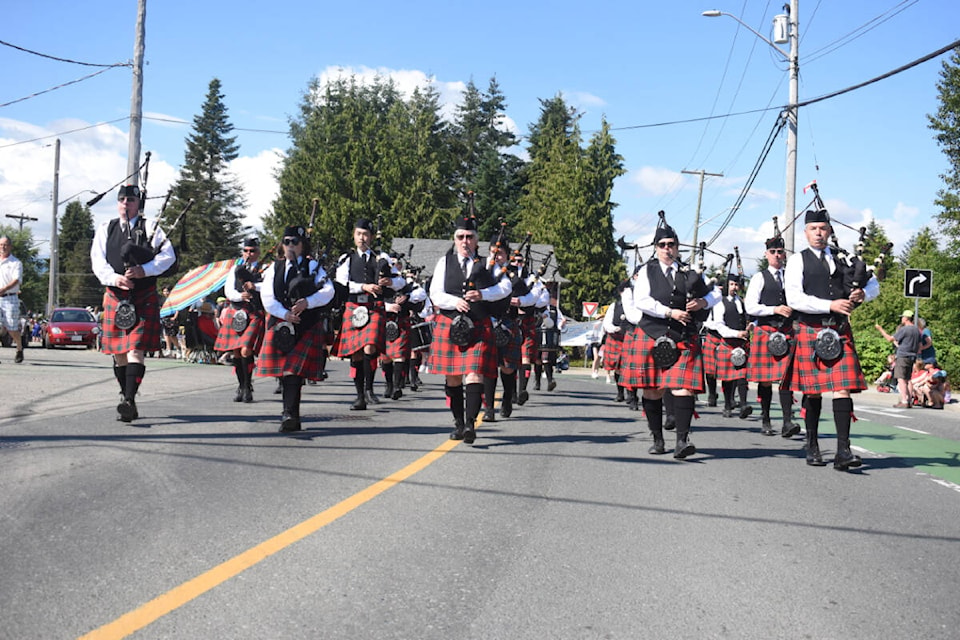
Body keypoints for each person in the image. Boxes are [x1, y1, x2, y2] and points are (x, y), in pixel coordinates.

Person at [782, 208, 879, 469]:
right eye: (814, 229)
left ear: (829, 231)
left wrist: (863, 295)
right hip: (810, 329)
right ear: (806, 232)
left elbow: (873, 283)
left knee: (842, 388)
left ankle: (843, 451)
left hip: (839, 331)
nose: (819, 233)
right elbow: (794, 298)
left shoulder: (843, 258)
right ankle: (812, 445)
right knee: (812, 392)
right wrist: (830, 305)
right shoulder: (797, 261)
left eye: (823, 228)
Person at [621, 221, 719, 459]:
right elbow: (642, 300)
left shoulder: (689, 272)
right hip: (652, 333)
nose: (667, 249)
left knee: (683, 388)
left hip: (683, 335)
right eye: (662, 245)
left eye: (671, 245)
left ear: (677, 247)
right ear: (656, 248)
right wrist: (669, 312)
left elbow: (716, 292)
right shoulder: (647, 271)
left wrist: (703, 302)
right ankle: (657, 439)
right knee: (652, 390)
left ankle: (682, 441)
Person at [90, 184, 176, 422]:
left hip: (143, 296)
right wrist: (114, 278)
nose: (125, 204)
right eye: (121, 200)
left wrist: (144, 270)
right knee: (119, 354)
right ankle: (127, 395)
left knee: (135, 350)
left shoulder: (151, 227)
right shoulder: (106, 227)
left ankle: (128, 399)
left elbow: (169, 256)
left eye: (130, 200)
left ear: (138, 203)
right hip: (116, 295)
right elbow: (98, 261)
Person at [429, 215, 511, 443]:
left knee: (474, 373)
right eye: (460, 237)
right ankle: (458, 423)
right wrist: (454, 302)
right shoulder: (444, 263)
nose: (465, 241)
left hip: (478, 324)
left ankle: (470, 425)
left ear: (476, 240)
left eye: (470, 237)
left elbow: (505, 287)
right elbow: (435, 293)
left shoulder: (488, 264)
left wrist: (483, 294)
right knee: (453, 377)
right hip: (451, 322)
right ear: (455, 239)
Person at [255, 225, 334, 432]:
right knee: (284, 372)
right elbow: (267, 296)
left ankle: (289, 414)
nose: (290, 246)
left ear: (302, 245)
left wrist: (308, 302)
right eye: (287, 242)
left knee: (293, 371)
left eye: (295, 242)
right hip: (280, 324)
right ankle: (291, 414)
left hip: (305, 325)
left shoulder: (313, 266)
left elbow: (328, 291)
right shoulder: (275, 267)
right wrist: (285, 314)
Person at [335, 218, 405, 410]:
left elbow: (401, 282)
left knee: (369, 347)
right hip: (354, 306)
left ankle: (369, 388)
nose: (362, 238)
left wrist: (390, 283)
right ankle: (360, 396)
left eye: (366, 234)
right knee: (357, 353)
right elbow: (341, 283)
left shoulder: (382, 258)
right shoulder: (346, 258)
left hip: (374, 307)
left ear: (371, 237)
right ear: (354, 235)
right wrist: (363, 286)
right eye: (359, 234)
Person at [744, 235, 800, 437]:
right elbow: (750, 306)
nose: (777, 255)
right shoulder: (759, 278)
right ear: (766, 254)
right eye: (773, 252)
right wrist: (774, 309)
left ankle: (787, 421)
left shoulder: (792, 277)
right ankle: (766, 418)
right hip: (766, 332)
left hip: (787, 332)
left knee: (787, 378)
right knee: (765, 380)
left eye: (780, 252)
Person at [215, 237, 266, 402]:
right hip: (236, 310)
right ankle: (242, 385)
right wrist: (240, 295)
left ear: (258, 252)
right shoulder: (235, 269)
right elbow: (228, 290)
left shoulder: (265, 269)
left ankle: (248, 384)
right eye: (246, 251)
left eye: (252, 251)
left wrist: (255, 287)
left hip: (253, 313)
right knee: (236, 352)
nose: (248, 254)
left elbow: (270, 288)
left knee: (246, 350)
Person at [705, 274, 753, 420]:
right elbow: (719, 325)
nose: (734, 287)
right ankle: (727, 405)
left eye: (736, 285)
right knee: (728, 378)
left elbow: (747, 320)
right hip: (728, 341)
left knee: (742, 375)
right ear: (727, 286)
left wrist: (750, 326)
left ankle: (744, 405)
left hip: (742, 343)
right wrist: (735, 333)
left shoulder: (741, 302)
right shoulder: (720, 302)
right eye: (732, 284)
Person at [875, 310, 921, 409]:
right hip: (912, 356)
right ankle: (909, 400)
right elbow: (920, 345)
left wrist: (880, 329)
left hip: (903, 356)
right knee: (908, 379)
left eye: (902, 317)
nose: (901, 319)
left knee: (901, 379)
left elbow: (890, 339)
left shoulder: (904, 329)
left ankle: (904, 400)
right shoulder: (916, 330)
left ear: (906, 318)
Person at [0, 235, 24, 364]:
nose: (3, 247)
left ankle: (19, 348)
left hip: (10, 298)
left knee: (11, 328)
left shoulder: (15, 263)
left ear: (10, 246)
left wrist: (4, 289)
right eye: (1, 245)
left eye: (5, 244)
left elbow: (16, 280)